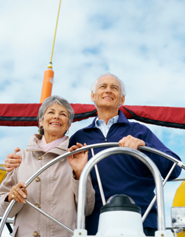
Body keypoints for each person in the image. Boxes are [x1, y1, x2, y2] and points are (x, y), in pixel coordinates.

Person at [4, 74, 182, 236]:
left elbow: (174, 169)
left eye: (114, 88)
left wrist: (145, 147)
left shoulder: (139, 132)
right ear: (92, 96)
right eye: (103, 86)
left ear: (122, 99)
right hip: (94, 225)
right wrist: (19, 162)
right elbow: (51, 162)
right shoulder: (78, 138)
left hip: (141, 220)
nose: (108, 90)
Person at [0, 95, 95, 237]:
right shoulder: (20, 157)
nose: (56, 117)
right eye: (51, 112)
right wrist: (11, 197)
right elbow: (2, 209)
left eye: (63, 114)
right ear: (40, 121)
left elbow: (87, 208)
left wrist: (80, 172)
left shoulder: (76, 158)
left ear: (68, 125)